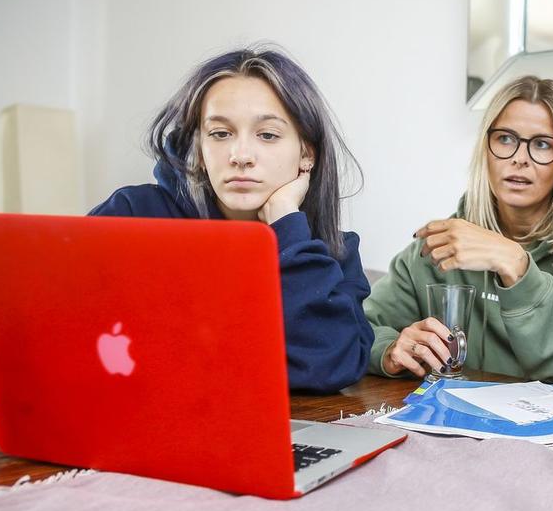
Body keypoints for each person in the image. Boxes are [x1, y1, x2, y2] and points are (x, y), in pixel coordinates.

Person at [91, 46, 372, 392]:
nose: (240, 156)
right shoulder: (133, 215)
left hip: (274, 436)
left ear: (306, 153)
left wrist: (287, 225)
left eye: (267, 135)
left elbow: (329, 368)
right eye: (220, 134)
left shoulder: (334, 252)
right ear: (200, 146)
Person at [365, 76, 553, 381]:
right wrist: (389, 351)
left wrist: (514, 263)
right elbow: (359, 328)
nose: (520, 159)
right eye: (505, 139)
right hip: (451, 423)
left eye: (542, 145)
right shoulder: (445, 243)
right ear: (486, 148)